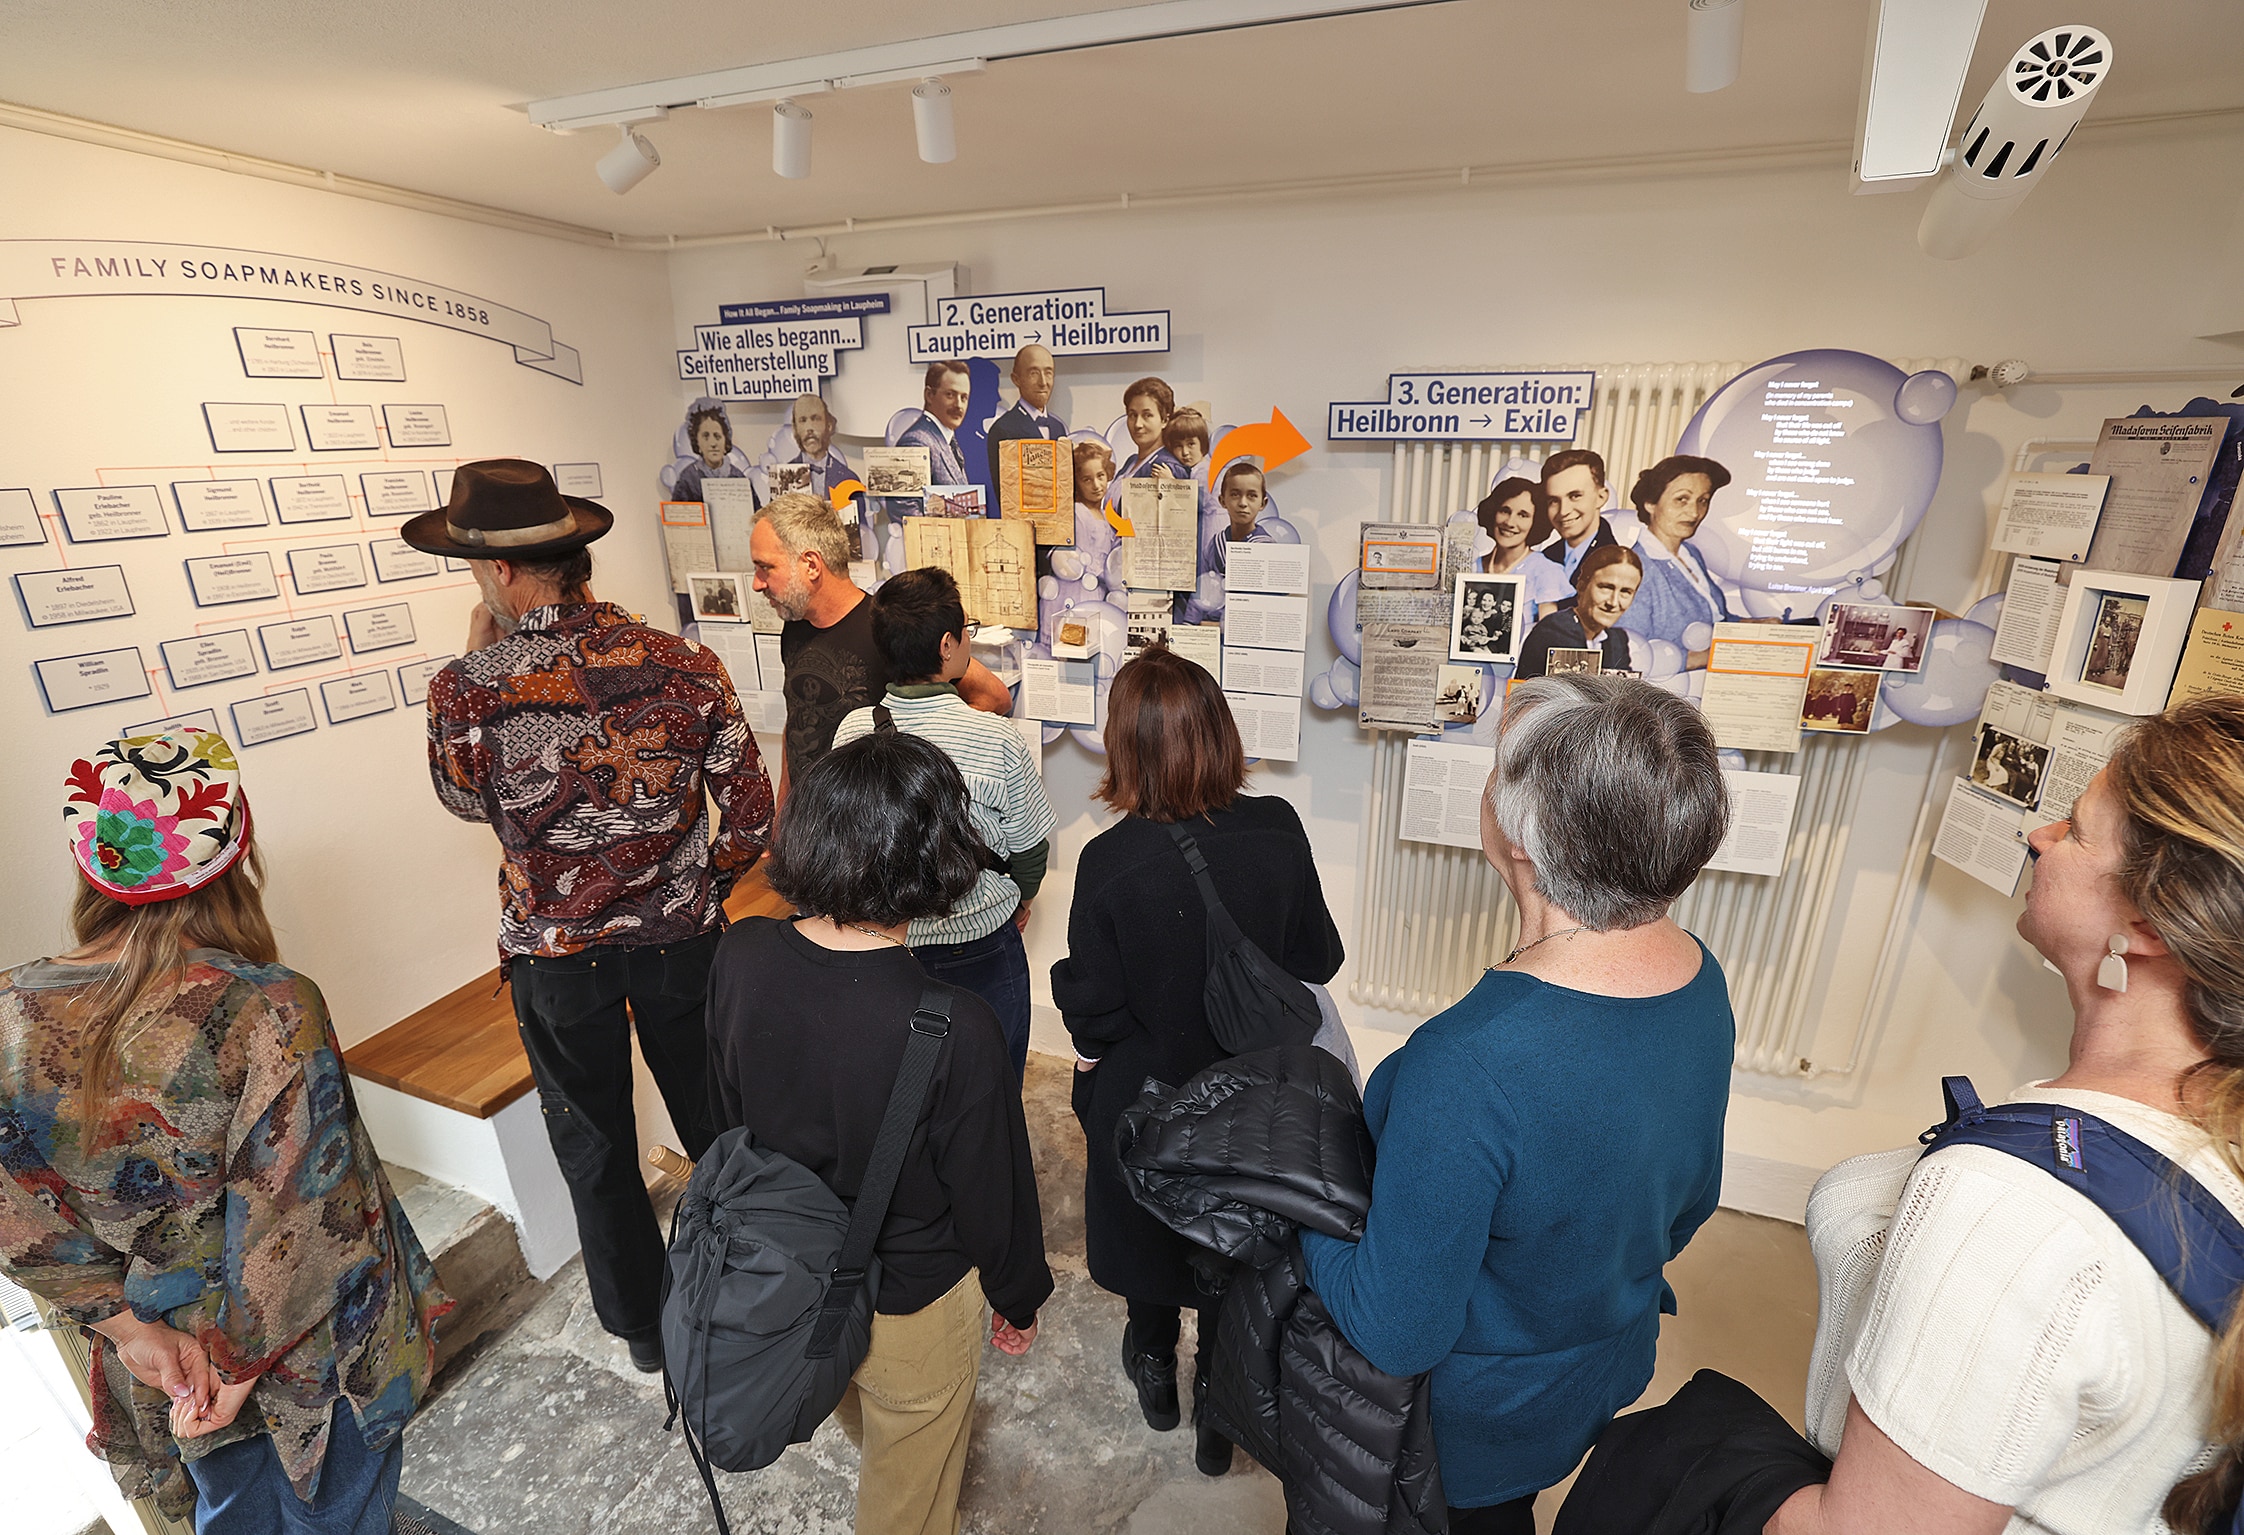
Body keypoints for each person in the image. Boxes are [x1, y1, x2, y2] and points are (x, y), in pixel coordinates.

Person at [1770, 697, 2244, 1535]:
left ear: (2147, 921)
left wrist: (1716, 1474)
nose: (2038, 835)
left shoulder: (2010, 1208)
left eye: (2076, 829)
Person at [1302, 674, 1735, 1534]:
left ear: (1521, 839)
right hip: (1600, 1366)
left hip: (1464, 1436)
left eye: (1496, 768)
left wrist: (1302, 1212)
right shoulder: (1698, 975)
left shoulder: (1468, 1062)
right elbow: (1689, 1205)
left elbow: (1397, 1329)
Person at [0, 728, 448, 1532]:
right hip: (309, 1360)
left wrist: (130, 1330)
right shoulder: (267, 1004)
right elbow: (305, 1213)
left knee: (234, 1513)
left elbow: (14, 1214)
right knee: (341, 1513)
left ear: (90, 861)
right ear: (236, 848)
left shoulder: (9, 1014)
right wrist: (238, 1367)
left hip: (168, 1359)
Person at [410, 459, 772, 1375]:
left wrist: (478, 653)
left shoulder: (466, 687)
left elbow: (464, 801)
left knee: (594, 1143)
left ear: (500, 571)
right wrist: (697, 885)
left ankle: (645, 1330)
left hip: (556, 956)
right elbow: (752, 815)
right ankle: (755, 1283)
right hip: (681, 942)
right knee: (720, 1120)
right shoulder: (686, 661)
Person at [705, 730, 1053, 1535]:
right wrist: (1019, 1296)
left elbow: (728, 1120)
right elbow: (991, 1192)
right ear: (938, 857)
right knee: (908, 1502)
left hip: (793, 1282)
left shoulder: (740, 955)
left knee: (862, 1420)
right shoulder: (955, 1025)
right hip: (911, 1303)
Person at [1052, 648, 1344, 1469]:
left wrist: (1089, 1058)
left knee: (1147, 1228)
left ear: (1125, 745)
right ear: (1220, 730)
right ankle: (1218, 1409)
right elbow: (1318, 957)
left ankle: (1154, 1367)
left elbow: (1096, 1007)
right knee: (1234, 1243)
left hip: (1152, 1093)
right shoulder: (1278, 826)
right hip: (1253, 1093)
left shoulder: (1110, 861)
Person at [832, 568, 1058, 1081]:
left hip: (883, 948)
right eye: (966, 631)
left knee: (899, 1090)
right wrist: (1021, 900)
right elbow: (1030, 850)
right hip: (977, 945)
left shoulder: (854, 731)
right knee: (990, 1084)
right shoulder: (997, 737)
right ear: (947, 645)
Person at [751, 490, 1011, 802]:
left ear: (811, 565)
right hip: (808, 821)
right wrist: (783, 814)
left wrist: (923, 773)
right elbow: (796, 722)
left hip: (870, 824)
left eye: (765, 567)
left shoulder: (887, 627)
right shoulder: (795, 626)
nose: (757, 583)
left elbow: (993, 698)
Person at [1621, 454, 1733, 665]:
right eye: (1682, 499)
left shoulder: (1690, 554)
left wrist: (1751, 624)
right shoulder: (1633, 569)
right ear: (1650, 503)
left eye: (1702, 501)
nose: (1694, 513)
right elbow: (1630, 654)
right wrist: (1713, 657)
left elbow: (1710, 616)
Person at [1514, 544, 1646, 680]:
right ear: (1582, 586)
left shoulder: (1617, 640)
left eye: (1625, 592)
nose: (1613, 602)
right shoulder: (1556, 630)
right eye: (1606, 587)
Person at [1525, 449, 1622, 617]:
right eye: (1554, 501)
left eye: (1575, 496)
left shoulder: (1620, 566)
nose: (1563, 511)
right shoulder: (1546, 557)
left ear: (1601, 497)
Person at [984, 344, 1066, 487]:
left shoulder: (1058, 428)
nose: (1043, 382)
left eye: (1048, 373)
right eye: (1034, 373)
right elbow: (1004, 492)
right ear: (1016, 379)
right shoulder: (1003, 430)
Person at [1107, 376, 1188, 511]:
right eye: (1133, 415)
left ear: (1164, 420)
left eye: (1147, 415)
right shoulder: (1131, 462)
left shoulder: (1166, 467)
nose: (1138, 424)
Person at [769, 393, 858, 505]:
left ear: (829, 425)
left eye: (815, 419)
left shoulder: (848, 478)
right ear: (795, 429)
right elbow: (774, 515)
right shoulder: (783, 478)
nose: (809, 428)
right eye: (802, 420)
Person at [896, 361, 973, 487]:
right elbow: (908, 500)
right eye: (950, 395)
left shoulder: (948, 441)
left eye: (963, 397)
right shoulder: (915, 443)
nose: (958, 405)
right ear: (929, 395)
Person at [673, 400, 753, 504]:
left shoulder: (738, 477)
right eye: (706, 436)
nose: (713, 443)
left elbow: (757, 512)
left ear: (725, 441)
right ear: (697, 442)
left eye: (717, 436)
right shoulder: (688, 478)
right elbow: (678, 512)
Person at [1201, 460, 1272, 575]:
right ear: (1222, 501)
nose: (1243, 503)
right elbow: (1202, 582)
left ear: (1263, 504)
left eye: (1252, 495)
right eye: (1235, 494)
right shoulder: (1214, 545)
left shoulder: (1267, 548)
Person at [1477, 476, 1547, 575]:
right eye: (1505, 511)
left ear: (1536, 522)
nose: (1509, 523)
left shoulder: (1546, 571)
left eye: (1522, 515)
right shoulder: (1473, 568)